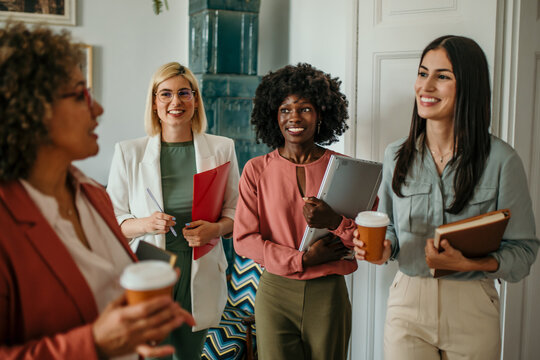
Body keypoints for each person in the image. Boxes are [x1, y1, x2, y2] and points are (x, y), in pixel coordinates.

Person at [0, 23, 195, 360]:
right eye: (80, 95)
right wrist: (95, 344)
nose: (98, 109)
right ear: (29, 110)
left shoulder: (91, 194)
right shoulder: (6, 222)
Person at [353, 35, 539, 360]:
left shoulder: (501, 160)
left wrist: (469, 263)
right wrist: (384, 249)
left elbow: (523, 252)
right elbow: (392, 232)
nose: (426, 87)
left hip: (472, 305)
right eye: (423, 73)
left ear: (469, 86)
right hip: (407, 304)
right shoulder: (396, 155)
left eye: (442, 76)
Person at [107, 62, 240, 360]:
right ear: (154, 103)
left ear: (195, 100)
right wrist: (144, 224)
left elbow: (236, 210)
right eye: (165, 94)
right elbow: (111, 221)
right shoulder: (128, 152)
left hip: (200, 271)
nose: (175, 102)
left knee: (189, 357)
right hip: (150, 271)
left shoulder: (222, 148)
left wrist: (216, 229)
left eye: (184, 93)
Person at [233, 63, 356, 360]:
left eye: (304, 109)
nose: (294, 118)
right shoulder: (256, 170)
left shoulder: (346, 170)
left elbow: (366, 239)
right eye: (285, 110)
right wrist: (302, 259)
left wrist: (336, 222)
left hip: (328, 293)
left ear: (322, 114)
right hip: (275, 292)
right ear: (273, 116)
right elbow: (244, 239)